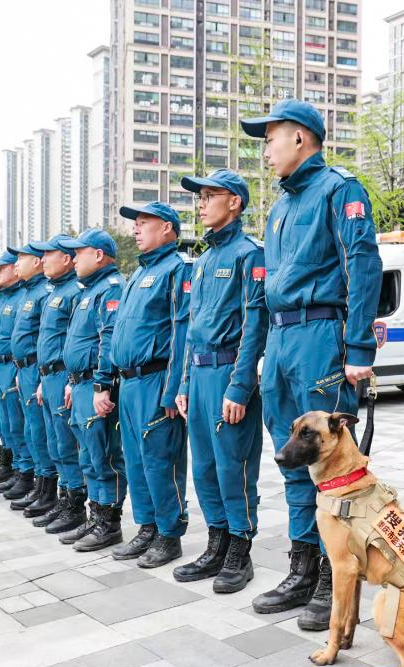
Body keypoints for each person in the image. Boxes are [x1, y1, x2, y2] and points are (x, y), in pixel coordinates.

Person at [240, 99, 382, 629]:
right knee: (292, 456)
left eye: (270, 138)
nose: (266, 151)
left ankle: (333, 572)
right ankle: (302, 566)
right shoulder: (279, 207)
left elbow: (362, 265)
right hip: (281, 341)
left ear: (300, 137)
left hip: (321, 335)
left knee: (332, 462)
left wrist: (358, 348)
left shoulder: (338, 189)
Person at [173, 169, 268, 593]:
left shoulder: (250, 254)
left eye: (210, 195)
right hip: (199, 376)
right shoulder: (204, 259)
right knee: (205, 467)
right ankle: (217, 542)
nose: (201, 204)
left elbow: (254, 324)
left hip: (228, 373)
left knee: (234, 466)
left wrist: (240, 386)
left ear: (234, 202)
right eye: (200, 197)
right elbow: (192, 329)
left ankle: (240, 550)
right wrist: (184, 384)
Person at [104, 202, 190, 569]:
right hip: (129, 383)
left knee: (160, 460)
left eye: (143, 222)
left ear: (167, 228)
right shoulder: (138, 273)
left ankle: (169, 534)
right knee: (136, 460)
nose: (136, 229)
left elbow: (182, 333)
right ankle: (147, 527)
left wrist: (173, 388)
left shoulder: (177, 269)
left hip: (156, 380)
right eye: (135, 224)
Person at [60, 229, 128, 551]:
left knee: (104, 456)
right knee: (88, 456)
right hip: (81, 383)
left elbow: (108, 339)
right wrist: (72, 381)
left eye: (79, 253)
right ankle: (96, 515)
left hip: (95, 384)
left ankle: (109, 523)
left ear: (98, 255)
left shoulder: (110, 288)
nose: (74, 259)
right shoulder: (89, 290)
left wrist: (102, 385)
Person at [28, 235, 89, 531]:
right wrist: (43, 379)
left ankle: (76, 506)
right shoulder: (56, 292)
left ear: (66, 259)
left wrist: (70, 381)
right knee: (55, 442)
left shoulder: (75, 292)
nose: (43, 260)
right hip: (49, 377)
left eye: (49, 255)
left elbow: (76, 341)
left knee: (67, 444)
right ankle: (63, 499)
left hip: (64, 376)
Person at [6, 243, 60, 505]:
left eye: (21, 259)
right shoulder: (30, 292)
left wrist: (39, 376)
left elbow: (45, 340)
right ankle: (39, 483)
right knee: (30, 429)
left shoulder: (44, 293)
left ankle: (48, 488)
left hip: (39, 371)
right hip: (25, 369)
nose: (16, 264)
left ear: (36, 262)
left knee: (41, 431)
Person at [0, 253, 33, 497]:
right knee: (1, 420)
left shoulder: (23, 297)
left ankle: (24, 472)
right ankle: (10, 465)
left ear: (13, 269)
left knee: (16, 422)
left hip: (11, 365)